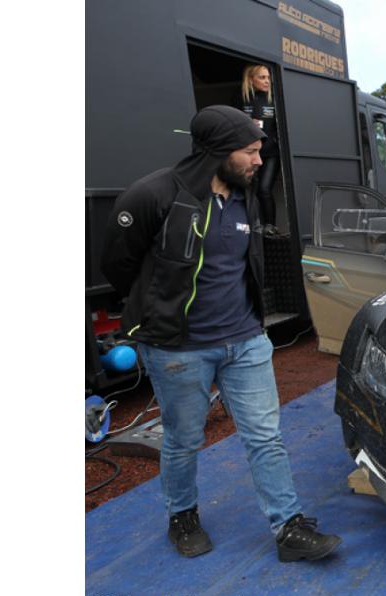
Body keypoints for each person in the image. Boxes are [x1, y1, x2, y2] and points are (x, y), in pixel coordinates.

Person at [100, 105, 341, 562]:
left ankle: (288, 527)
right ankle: (182, 516)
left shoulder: (245, 196)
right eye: (250, 151)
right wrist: (157, 315)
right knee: (183, 439)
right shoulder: (153, 194)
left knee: (265, 436)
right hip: (178, 349)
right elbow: (118, 265)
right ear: (218, 152)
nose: (258, 161)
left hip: (245, 340)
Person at [234, 65, 281, 235]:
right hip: (249, 152)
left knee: (264, 189)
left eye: (268, 77)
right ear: (251, 79)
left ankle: (270, 225)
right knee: (249, 189)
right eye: (262, 77)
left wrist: (274, 140)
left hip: (270, 153)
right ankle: (254, 225)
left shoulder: (274, 99)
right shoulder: (242, 98)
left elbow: (281, 127)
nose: (267, 81)